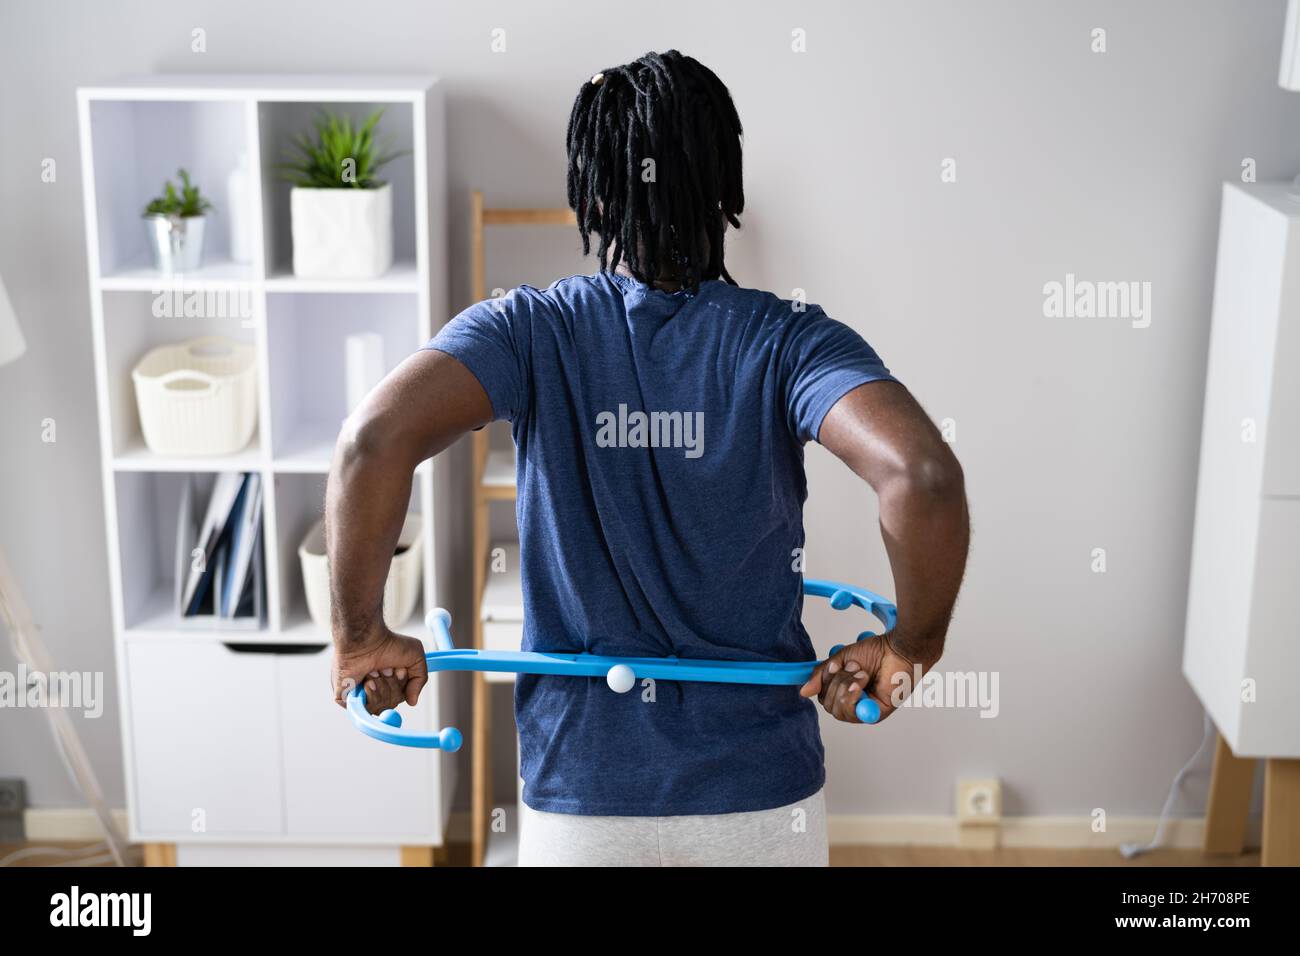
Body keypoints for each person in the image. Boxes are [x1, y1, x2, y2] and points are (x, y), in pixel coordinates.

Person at [328, 50, 969, 866]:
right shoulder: (792, 341)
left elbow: (369, 443)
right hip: (761, 802)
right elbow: (922, 477)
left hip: (584, 802)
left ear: (593, 194)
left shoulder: (528, 330)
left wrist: (359, 637)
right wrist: (913, 645)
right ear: (724, 186)